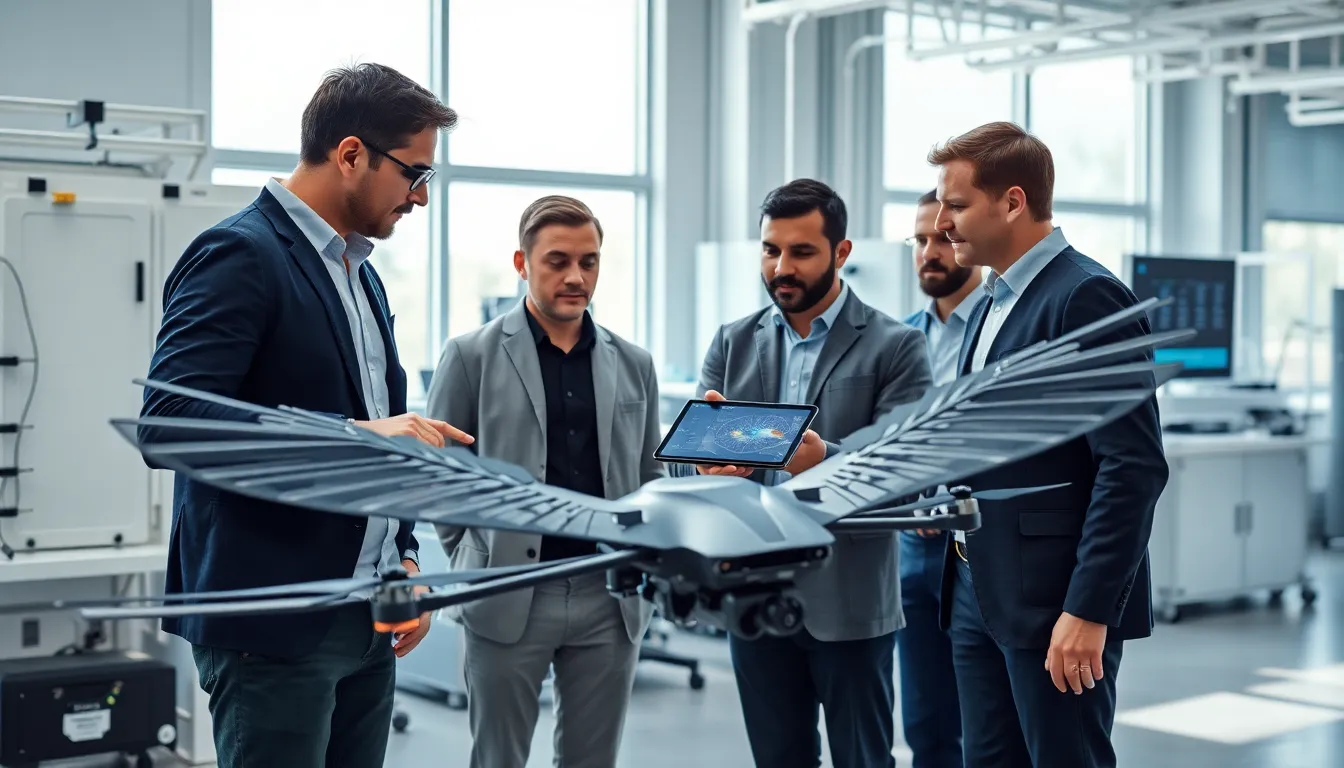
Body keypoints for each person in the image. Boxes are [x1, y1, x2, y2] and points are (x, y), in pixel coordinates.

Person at [141, 63, 468, 768]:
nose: (420, 198)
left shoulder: (361, 273)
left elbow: (384, 421)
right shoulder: (240, 254)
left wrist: (404, 552)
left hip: (369, 616)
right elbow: (169, 422)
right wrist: (349, 435)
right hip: (277, 622)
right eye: (415, 174)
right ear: (351, 154)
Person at [928, 121, 1168, 767]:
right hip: (978, 586)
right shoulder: (990, 301)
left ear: (1012, 201)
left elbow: (1133, 466)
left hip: (1053, 602)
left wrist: (1089, 610)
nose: (943, 223)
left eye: (956, 204)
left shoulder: (1085, 296)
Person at [672, 178, 932, 768]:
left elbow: (906, 469)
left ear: (841, 253)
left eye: (801, 251)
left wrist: (825, 461)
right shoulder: (733, 342)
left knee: (863, 759)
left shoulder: (897, 346)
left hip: (848, 596)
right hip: (753, 595)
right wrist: (705, 464)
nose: (781, 267)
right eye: (770, 250)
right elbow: (694, 461)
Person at [426, 195, 662, 768]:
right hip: (506, 591)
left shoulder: (634, 363)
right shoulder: (469, 356)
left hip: (609, 596)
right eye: (558, 261)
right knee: (498, 758)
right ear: (521, 263)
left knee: (592, 760)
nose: (577, 276)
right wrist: (475, 554)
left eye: (590, 261)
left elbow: (650, 474)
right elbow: (439, 480)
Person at [895, 188, 981, 768]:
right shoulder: (897, 341)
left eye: (945, 238)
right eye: (921, 239)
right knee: (925, 724)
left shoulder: (1005, 331)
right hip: (910, 549)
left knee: (990, 722)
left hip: (978, 549)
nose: (931, 251)